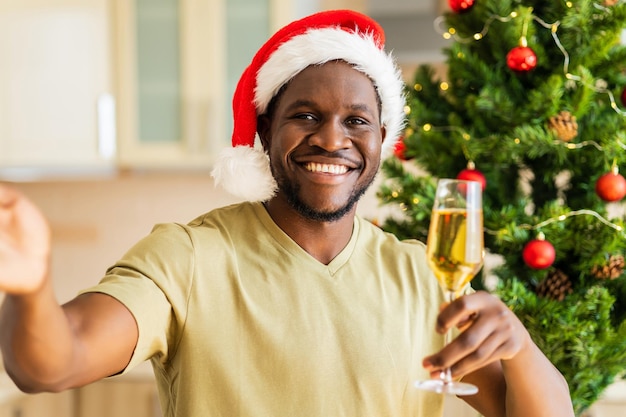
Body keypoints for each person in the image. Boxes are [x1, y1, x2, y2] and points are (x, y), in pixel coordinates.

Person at [0, 9, 574, 417]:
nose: (332, 139)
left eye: (356, 120)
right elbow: (51, 364)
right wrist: (30, 289)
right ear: (266, 131)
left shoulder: (422, 274)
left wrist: (518, 344)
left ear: (381, 140)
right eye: (305, 115)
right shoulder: (189, 258)